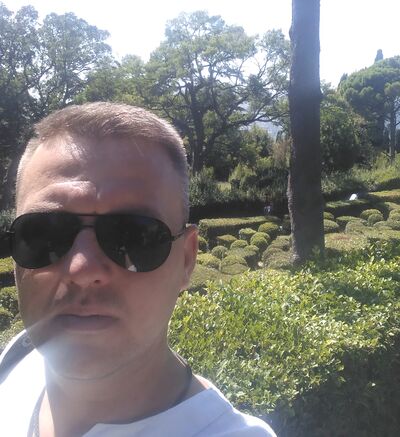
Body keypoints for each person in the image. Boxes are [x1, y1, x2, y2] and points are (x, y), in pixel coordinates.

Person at [0, 102, 276, 436]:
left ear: (187, 260)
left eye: (133, 237)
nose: (83, 268)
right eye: (43, 233)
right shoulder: (18, 357)